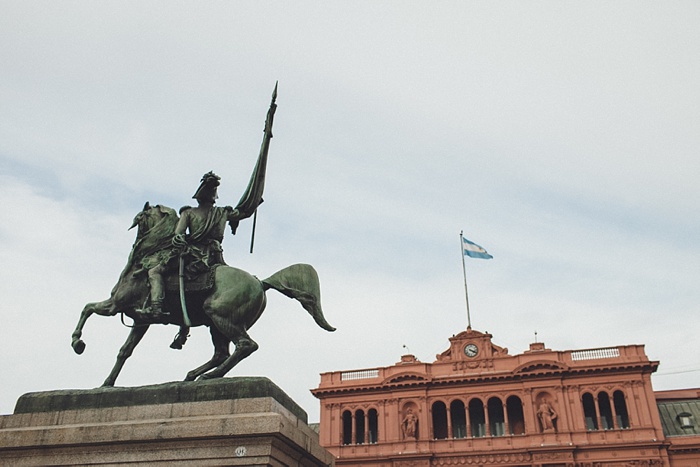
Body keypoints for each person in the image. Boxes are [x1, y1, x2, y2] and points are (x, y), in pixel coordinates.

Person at [138, 171, 242, 321]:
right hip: (214, 255)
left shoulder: (188, 213)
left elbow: (178, 235)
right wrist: (256, 198)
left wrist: (180, 241)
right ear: (214, 197)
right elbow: (244, 212)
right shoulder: (222, 212)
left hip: (193, 255)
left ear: (199, 196)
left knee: (155, 271)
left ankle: (156, 308)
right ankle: (182, 329)